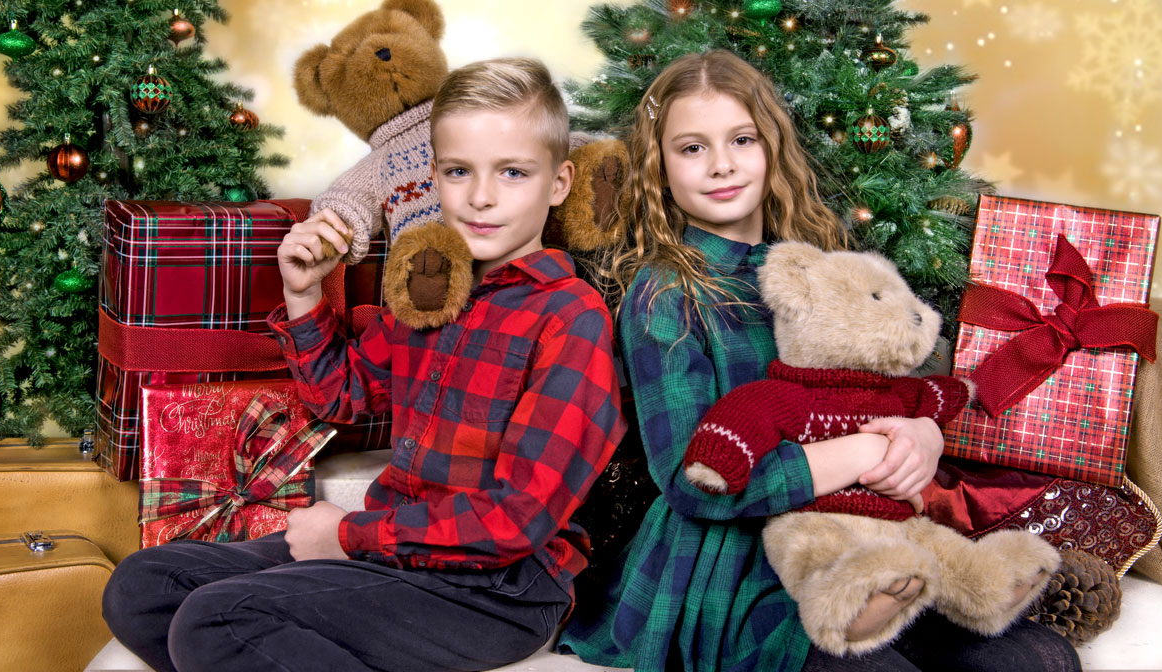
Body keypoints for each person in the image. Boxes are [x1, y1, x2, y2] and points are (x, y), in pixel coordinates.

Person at [558, 50, 1079, 672]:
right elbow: (693, 484)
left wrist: (921, 435)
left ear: (771, 146)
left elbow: (882, 389)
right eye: (692, 148)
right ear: (659, 166)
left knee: (1039, 659)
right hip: (737, 561)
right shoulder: (666, 296)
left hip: (868, 533)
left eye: (742, 139)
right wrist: (860, 454)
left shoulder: (820, 267)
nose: (722, 163)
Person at [102, 57, 625, 672]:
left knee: (219, 619)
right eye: (460, 171)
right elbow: (342, 400)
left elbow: (518, 519)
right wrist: (302, 295)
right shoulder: (429, 292)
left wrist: (348, 538)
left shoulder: (570, 317)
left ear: (559, 183)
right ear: (433, 177)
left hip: (497, 592)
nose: (481, 197)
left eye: (513, 172)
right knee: (143, 586)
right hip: (394, 553)